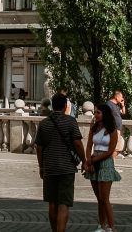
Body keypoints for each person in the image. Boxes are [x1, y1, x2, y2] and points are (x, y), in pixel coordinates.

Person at [34, 92, 86, 232]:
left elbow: (39, 147)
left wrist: (41, 166)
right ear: (64, 106)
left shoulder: (44, 123)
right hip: (66, 168)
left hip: (49, 167)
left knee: (52, 203)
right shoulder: (70, 121)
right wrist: (85, 161)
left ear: (52, 105)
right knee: (63, 203)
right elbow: (78, 144)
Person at [84, 103, 121, 232]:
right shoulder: (94, 128)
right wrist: (88, 160)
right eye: (95, 112)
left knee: (105, 198)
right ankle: (102, 225)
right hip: (94, 161)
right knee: (99, 199)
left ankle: (112, 227)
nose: (96, 115)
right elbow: (89, 146)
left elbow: (110, 151)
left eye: (98, 112)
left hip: (105, 163)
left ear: (105, 114)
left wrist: (94, 160)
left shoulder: (112, 130)